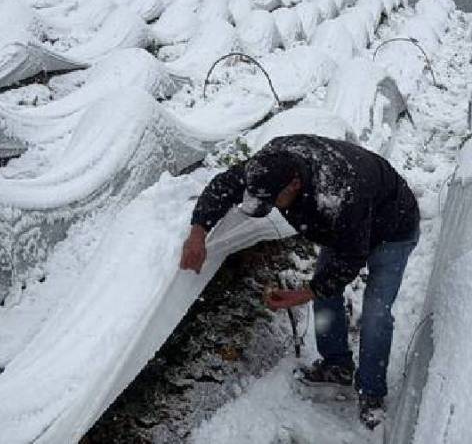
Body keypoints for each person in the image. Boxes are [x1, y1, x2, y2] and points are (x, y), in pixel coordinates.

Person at [178, 134, 419, 430]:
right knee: (325, 292)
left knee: (375, 314)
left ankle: (371, 393)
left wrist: (306, 293)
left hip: (393, 227)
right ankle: (336, 366)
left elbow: (351, 256)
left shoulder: (338, 194)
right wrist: (198, 231)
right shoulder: (266, 168)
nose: (268, 206)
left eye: (272, 202)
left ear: (293, 185)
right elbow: (223, 186)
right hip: (340, 225)